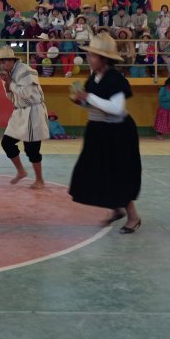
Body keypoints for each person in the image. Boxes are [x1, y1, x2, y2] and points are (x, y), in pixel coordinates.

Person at [68, 34, 142, 233]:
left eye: (93, 55)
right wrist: (81, 101)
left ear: (104, 59)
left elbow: (116, 108)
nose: (89, 59)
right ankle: (116, 208)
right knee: (98, 173)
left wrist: (88, 97)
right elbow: (95, 104)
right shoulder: (94, 77)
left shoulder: (115, 78)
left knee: (117, 175)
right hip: (99, 132)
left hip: (117, 134)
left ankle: (133, 217)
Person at [0, 45, 49, 189]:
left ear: (12, 60)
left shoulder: (25, 70)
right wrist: (7, 83)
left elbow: (26, 94)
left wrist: (9, 83)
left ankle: (40, 180)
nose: (2, 64)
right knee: (6, 143)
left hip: (33, 111)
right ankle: (21, 171)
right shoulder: (6, 74)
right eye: (0, 62)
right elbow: (12, 97)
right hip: (19, 111)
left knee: (32, 149)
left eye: (5, 61)